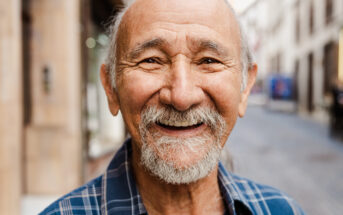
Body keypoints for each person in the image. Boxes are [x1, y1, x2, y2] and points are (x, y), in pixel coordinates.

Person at [40, 0, 305, 214]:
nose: (181, 96)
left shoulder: (282, 210)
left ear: (245, 88)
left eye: (209, 60)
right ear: (111, 88)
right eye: (151, 60)